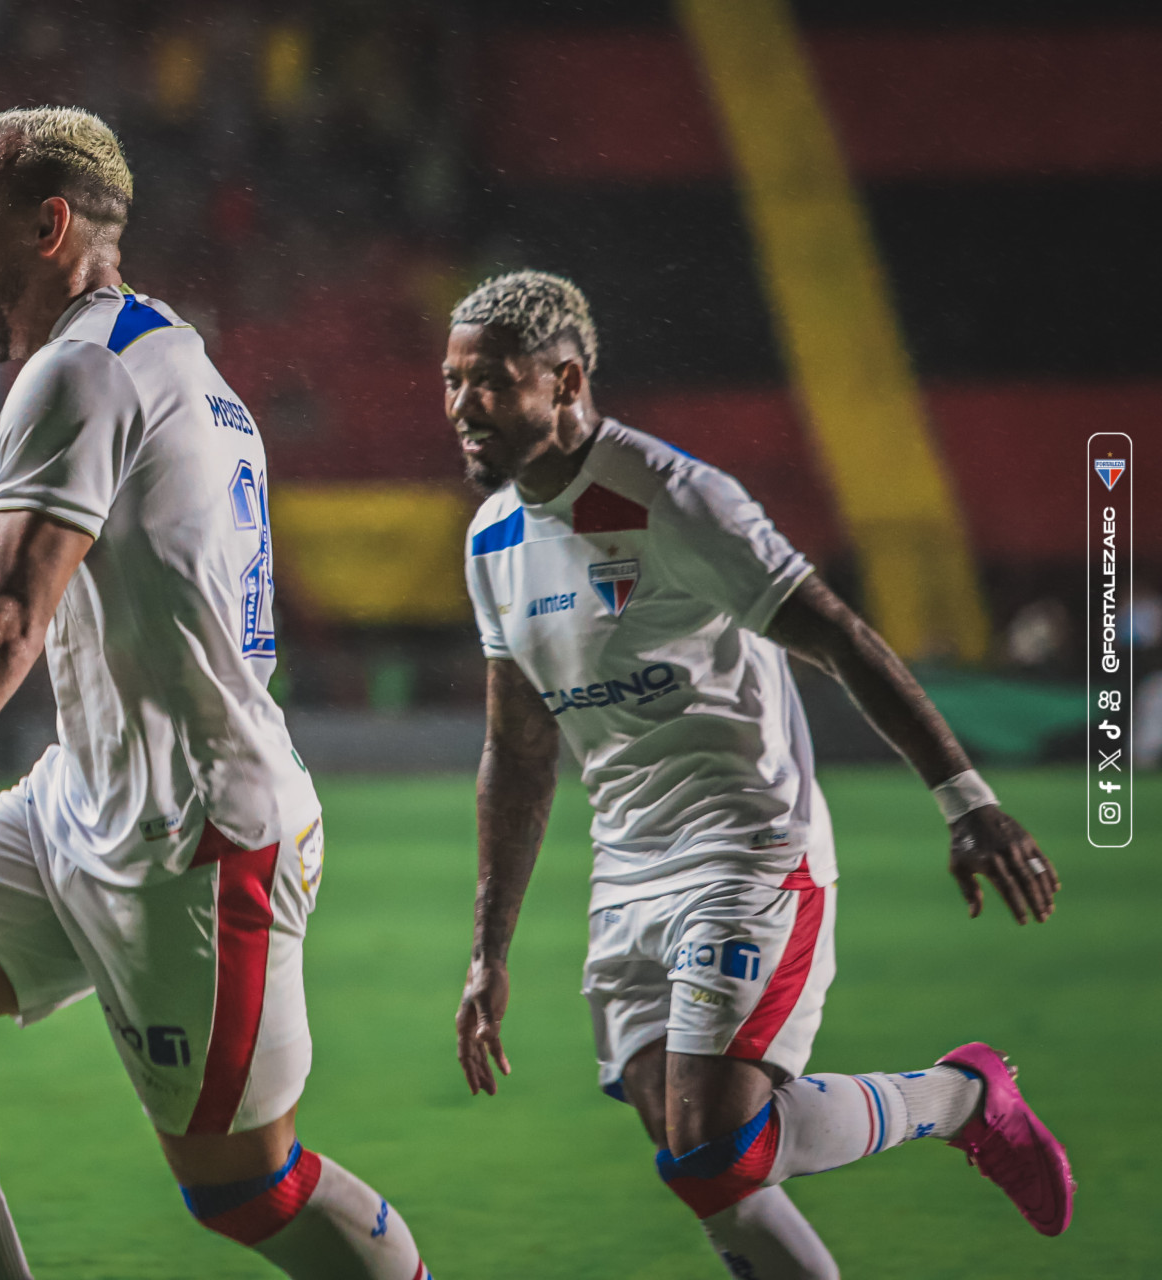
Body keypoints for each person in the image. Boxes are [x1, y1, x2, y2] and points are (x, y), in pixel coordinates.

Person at [0, 107, 430, 1280]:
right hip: (83, 794)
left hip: (195, 838)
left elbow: (11, 617)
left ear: (49, 225)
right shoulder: (172, 355)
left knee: (248, 1189)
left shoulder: (78, 370)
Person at [444, 271, 1072, 1278]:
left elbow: (843, 638)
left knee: (715, 1146)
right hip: (627, 864)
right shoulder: (490, 542)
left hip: (748, 844)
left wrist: (967, 800)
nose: (464, 407)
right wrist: (489, 950)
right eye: (452, 381)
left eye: (492, 382)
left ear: (565, 383)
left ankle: (961, 1096)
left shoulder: (677, 499)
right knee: (698, 1159)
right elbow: (516, 753)